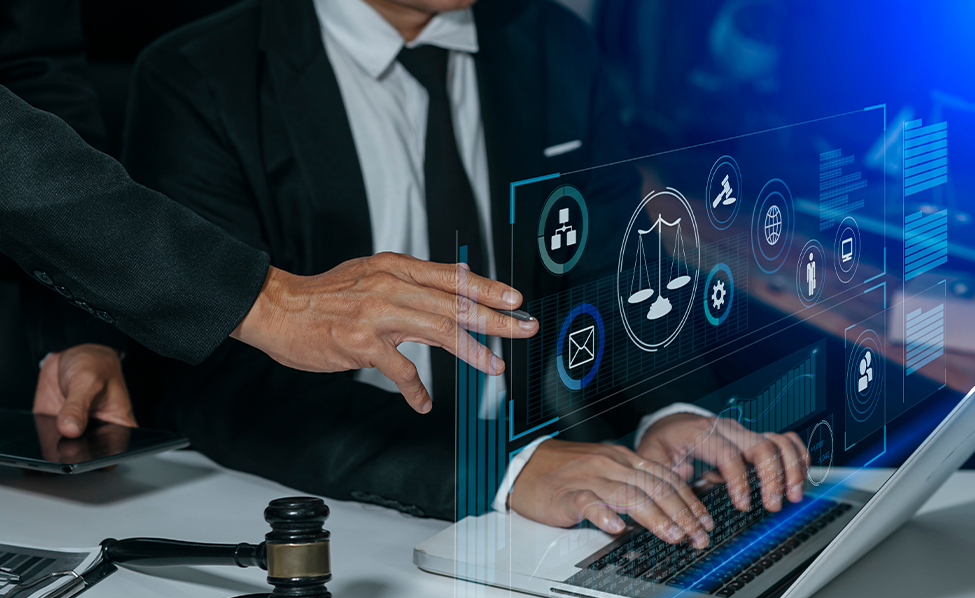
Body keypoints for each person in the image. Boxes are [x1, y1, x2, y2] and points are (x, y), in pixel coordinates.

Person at [123, 0, 808, 544]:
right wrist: (498, 470)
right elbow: (216, 379)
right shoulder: (198, 79)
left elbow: (613, 265)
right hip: (305, 498)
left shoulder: (551, 44)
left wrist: (673, 407)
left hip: (530, 499)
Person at [0, 0, 537, 439]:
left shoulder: (554, 49)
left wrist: (78, 330)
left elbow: (33, 81)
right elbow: (225, 387)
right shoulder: (206, 75)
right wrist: (270, 302)